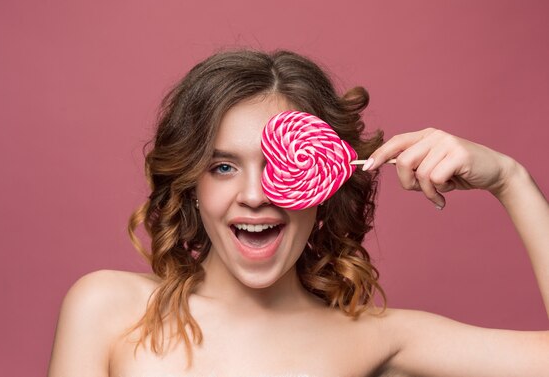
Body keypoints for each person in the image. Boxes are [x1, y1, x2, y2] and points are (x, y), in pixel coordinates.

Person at [48, 49, 549, 377]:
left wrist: (512, 181)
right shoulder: (108, 309)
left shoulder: (379, 339)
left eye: (280, 166)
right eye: (223, 166)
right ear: (192, 185)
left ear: (324, 183)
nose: (255, 194)